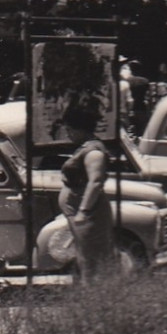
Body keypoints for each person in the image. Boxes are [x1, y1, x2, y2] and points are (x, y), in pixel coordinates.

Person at [58, 104, 115, 277]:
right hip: (78, 211)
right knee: (84, 256)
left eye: (70, 129)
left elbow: (95, 181)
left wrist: (84, 211)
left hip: (89, 213)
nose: (68, 133)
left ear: (80, 129)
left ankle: (96, 295)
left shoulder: (93, 152)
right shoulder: (85, 147)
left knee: (92, 258)